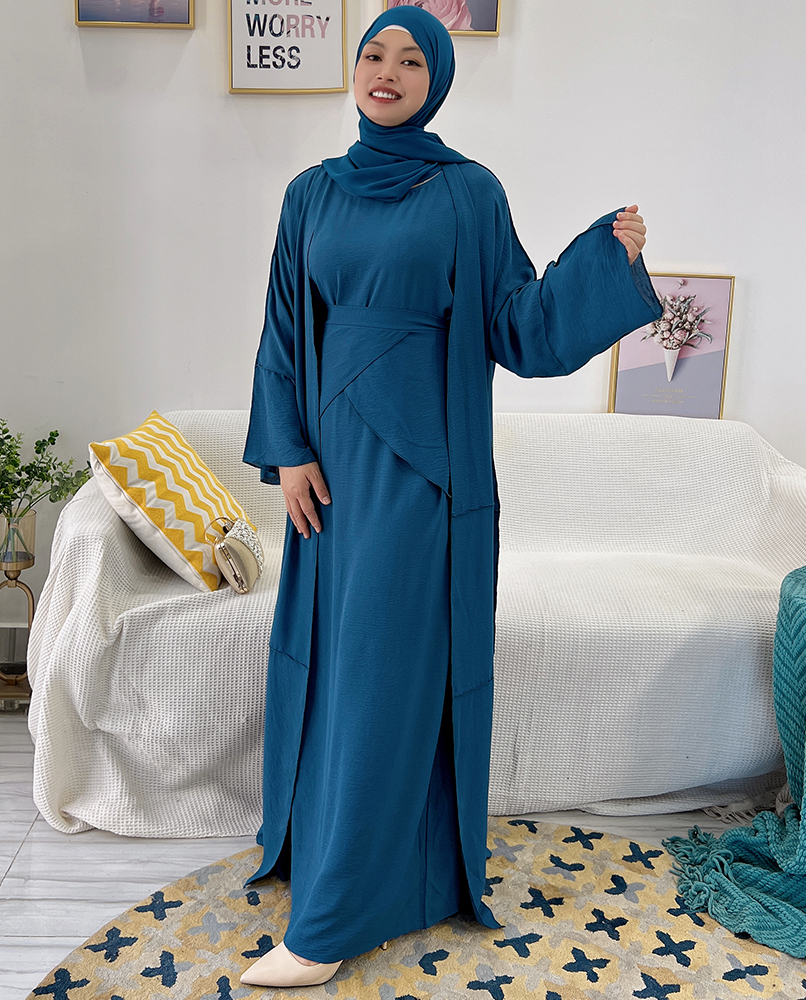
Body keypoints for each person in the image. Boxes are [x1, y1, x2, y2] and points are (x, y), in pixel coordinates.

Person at [239, 7, 660, 989]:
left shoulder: (470, 193)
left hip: (419, 473)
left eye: (411, 60)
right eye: (373, 54)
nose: (387, 70)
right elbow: (282, 329)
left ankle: (329, 924)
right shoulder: (310, 192)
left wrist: (608, 262)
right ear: (355, 71)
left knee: (382, 675)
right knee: (334, 667)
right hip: (327, 474)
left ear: (438, 81)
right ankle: (366, 862)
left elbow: (520, 327)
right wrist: (287, 451)